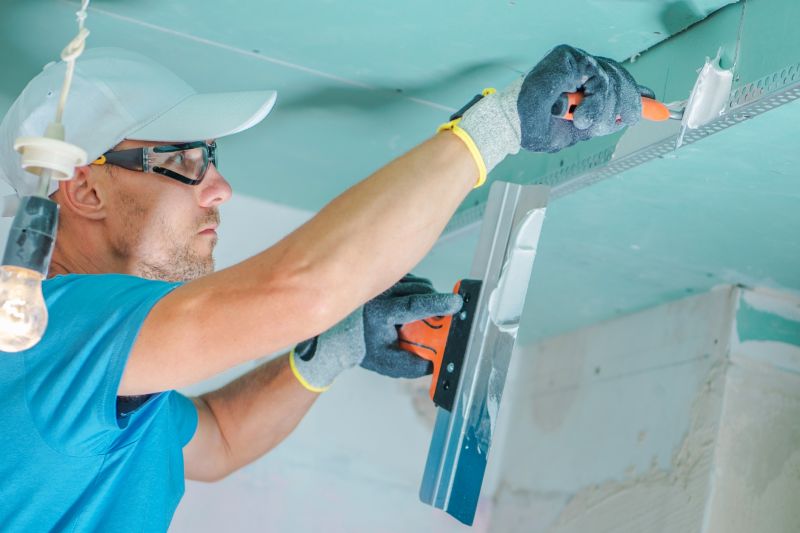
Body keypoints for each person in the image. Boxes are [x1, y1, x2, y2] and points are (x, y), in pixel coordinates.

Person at [0, 45, 651, 531]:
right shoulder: (45, 332)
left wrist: (333, 347)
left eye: (213, 163)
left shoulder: (94, 375)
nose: (218, 188)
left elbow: (220, 436)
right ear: (84, 187)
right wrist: (499, 126)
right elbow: (298, 289)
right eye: (184, 161)